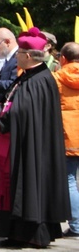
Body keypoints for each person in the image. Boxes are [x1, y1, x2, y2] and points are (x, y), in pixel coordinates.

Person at [0, 27, 70, 247]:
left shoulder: (39, 80)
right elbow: (9, 100)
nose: (17, 59)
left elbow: (21, 111)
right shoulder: (29, 78)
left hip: (28, 145)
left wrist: (1, 122)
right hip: (18, 141)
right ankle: (15, 232)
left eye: (20, 55)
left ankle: (28, 234)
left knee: (27, 186)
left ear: (29, 56)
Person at [53, 42, 79, 238]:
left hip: (68, 135)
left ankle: (77, 225)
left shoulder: (57, 78)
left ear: (63, 58)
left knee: (69, 180)